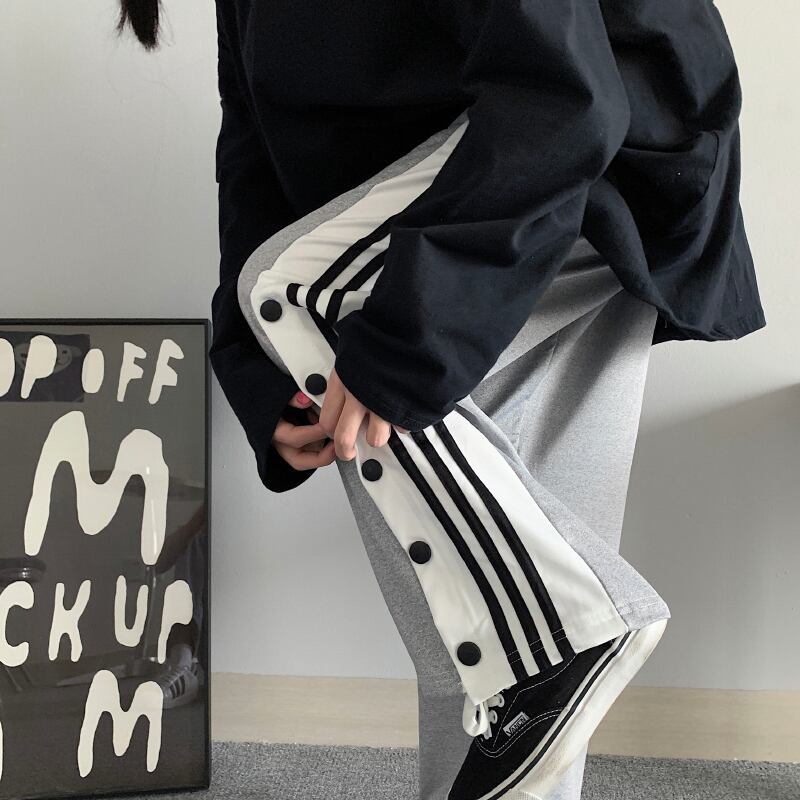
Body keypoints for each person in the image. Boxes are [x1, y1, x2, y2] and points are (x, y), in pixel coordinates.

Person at [119, 1, 766, 799]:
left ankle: (571, 635)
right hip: (491, 186)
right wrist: (262, 375)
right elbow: (254, 144)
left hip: (601, 167)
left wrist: (400, 344)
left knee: (296, 295)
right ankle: (559, 649)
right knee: (492, 648)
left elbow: (563, 96)